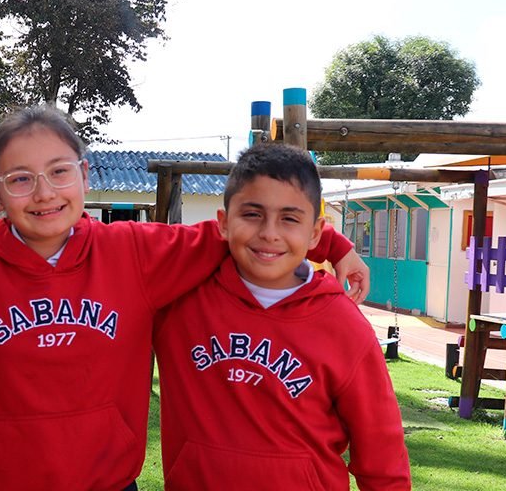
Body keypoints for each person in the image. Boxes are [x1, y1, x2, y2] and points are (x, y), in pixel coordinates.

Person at [0, 106, 370, 490]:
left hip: (111, 485)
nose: (44, 193)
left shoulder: (136, 253)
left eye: (59, 172)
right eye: (21, 180)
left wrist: (336, 245)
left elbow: (248, 226)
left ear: (83, 176)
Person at [154, 142, 410, 490]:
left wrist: (336, 246)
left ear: (316, 232)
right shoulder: (179, 299)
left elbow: (381, 450)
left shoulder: (344, 325)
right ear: (224, 223)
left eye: (289, 218)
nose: (269, 233)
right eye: (252, 214)